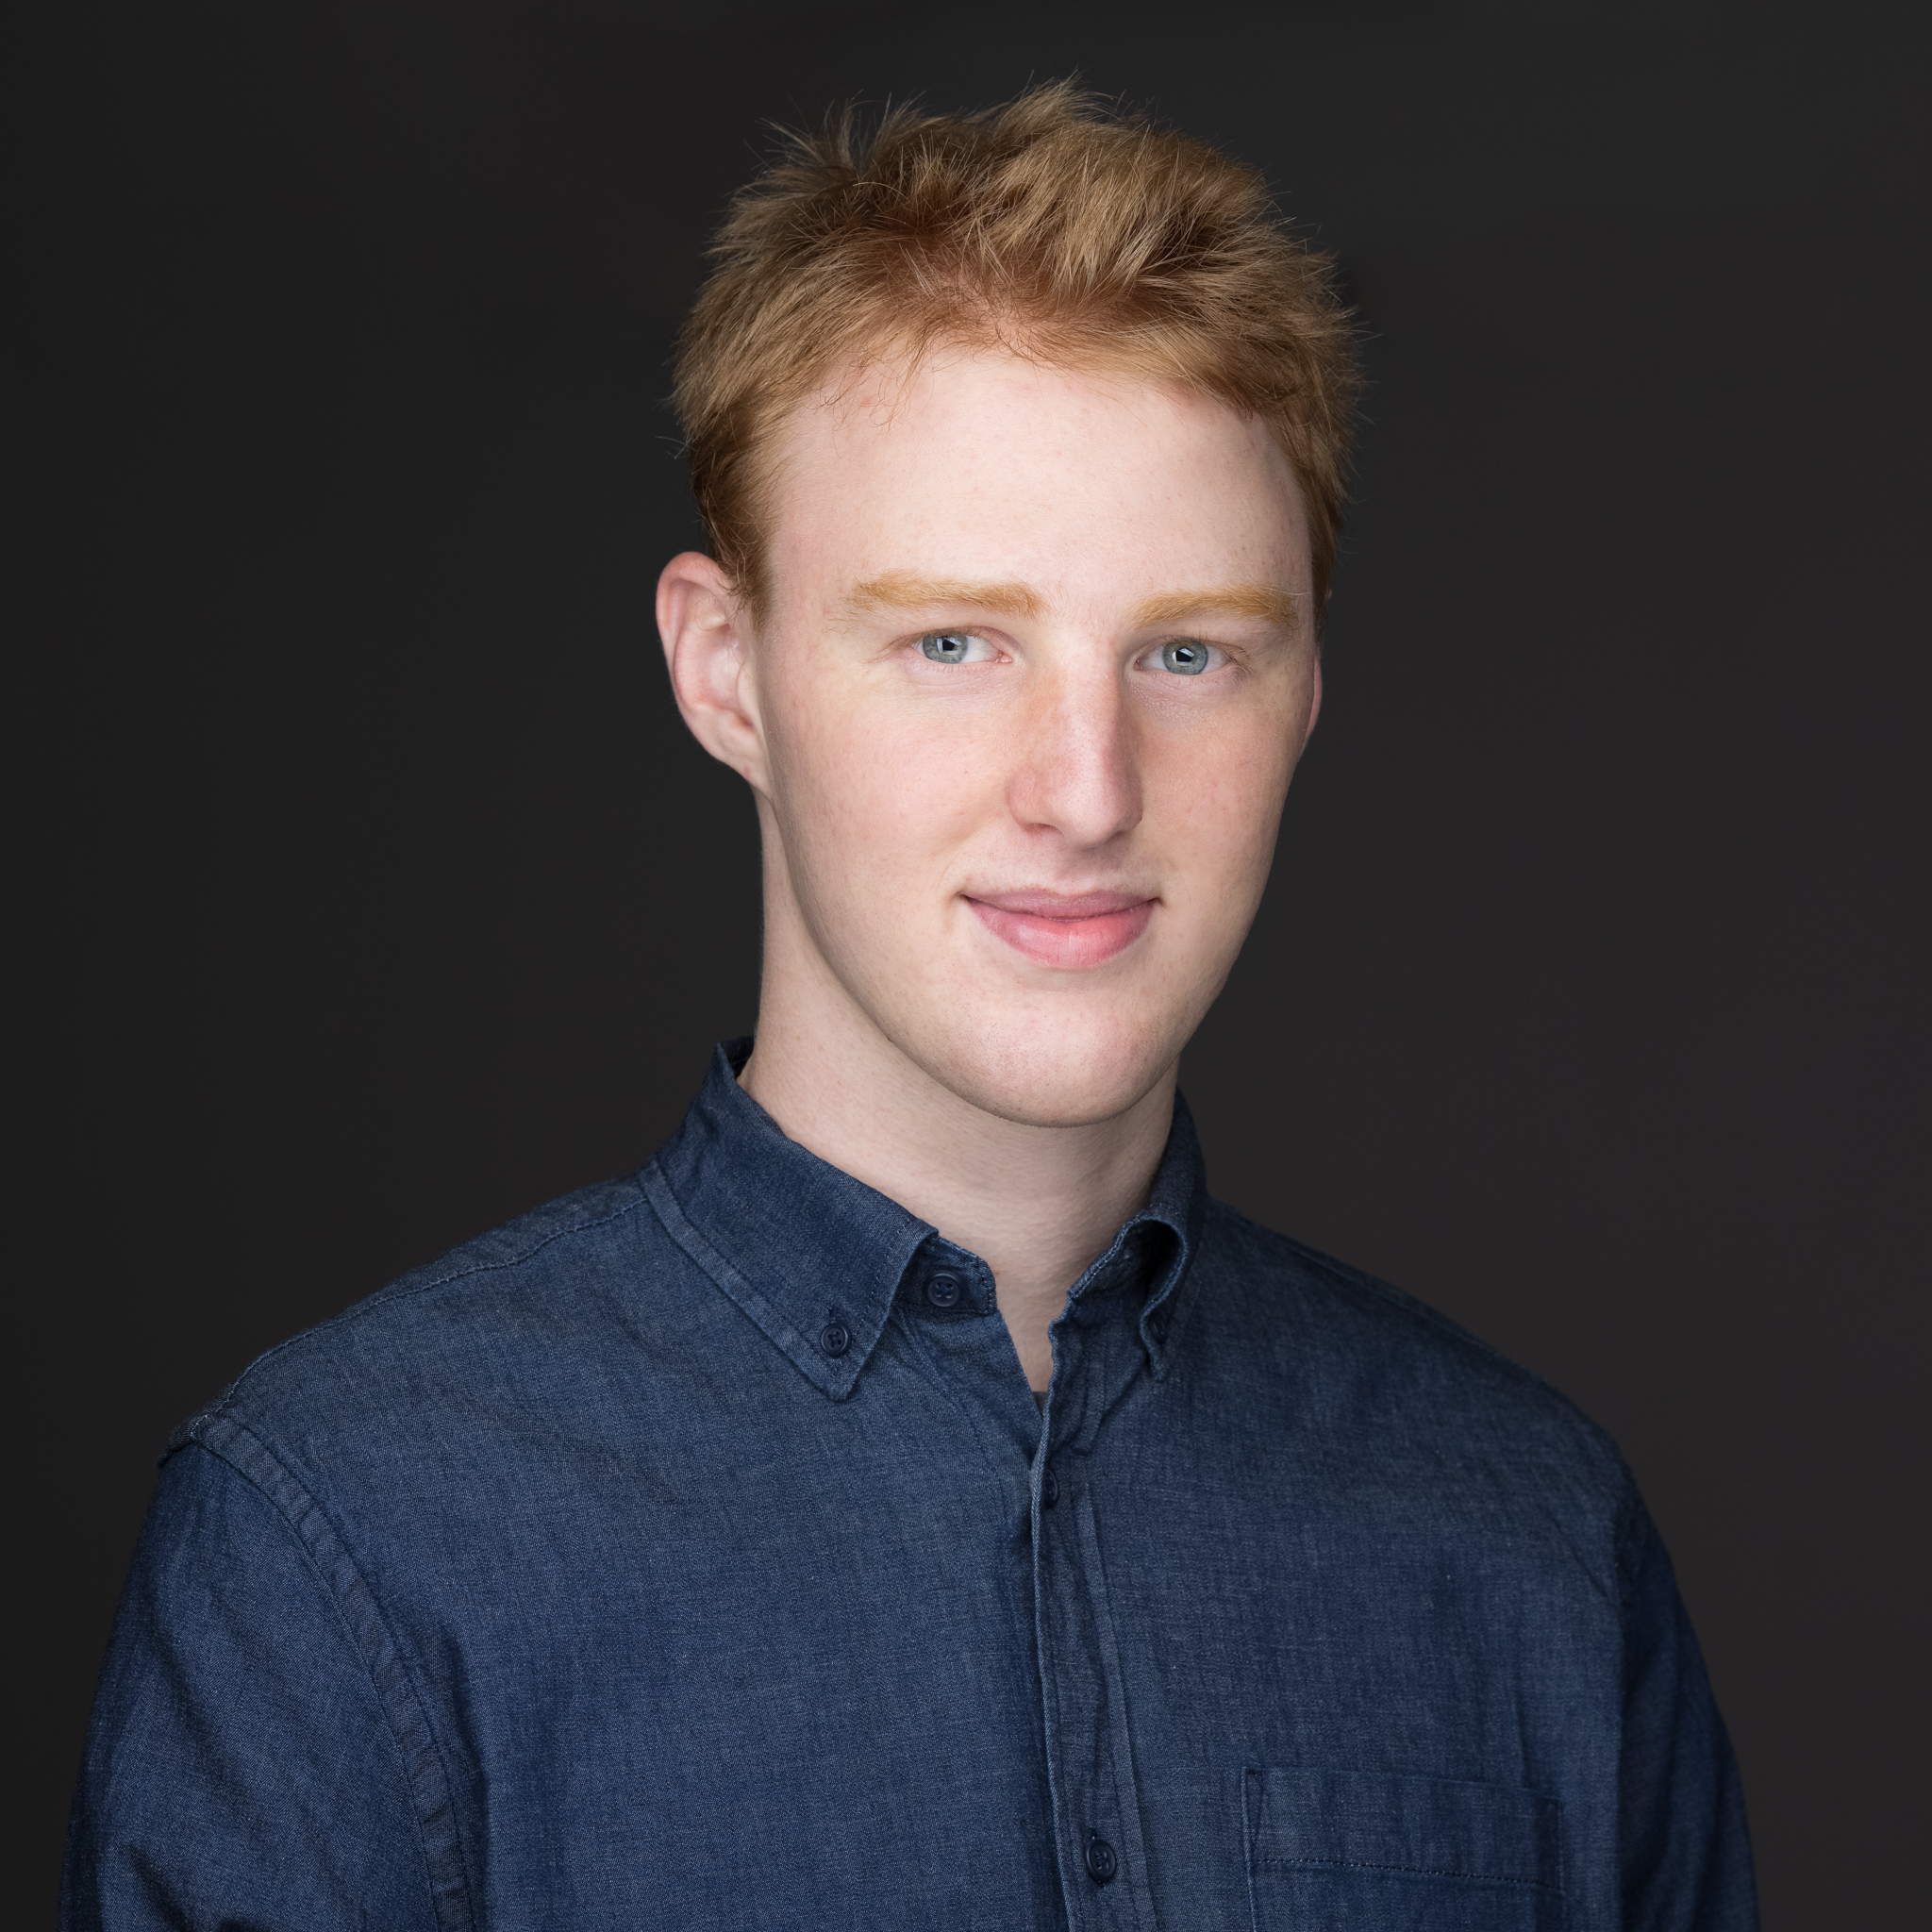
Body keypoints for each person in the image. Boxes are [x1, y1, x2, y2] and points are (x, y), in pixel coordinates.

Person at [62, 84, 1756, 1930]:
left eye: (1189, 652)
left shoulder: (1532, 1541)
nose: (1087, 788)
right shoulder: (349, 1543)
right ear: (727, 673)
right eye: (955, 643)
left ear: (1307, 693)